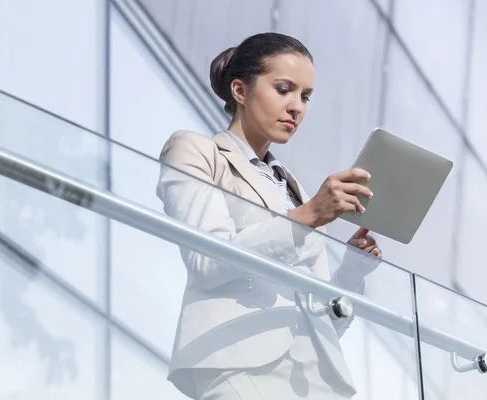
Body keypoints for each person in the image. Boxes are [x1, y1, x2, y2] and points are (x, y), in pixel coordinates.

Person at [156, 32, 382, 400]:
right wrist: (307, 216)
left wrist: (353, 271)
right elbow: (207, 259)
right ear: (240, 91)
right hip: (234, 362)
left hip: (313, 379)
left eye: (305, 96)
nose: (297, 107)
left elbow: (321, 316)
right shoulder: (196, 150)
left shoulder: (293, 188)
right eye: (283, 89)